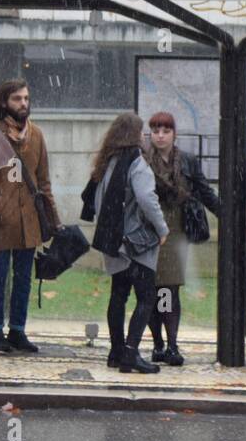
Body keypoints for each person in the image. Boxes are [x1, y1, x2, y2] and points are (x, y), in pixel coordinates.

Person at [0, 79, 60, 354]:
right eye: (17, 98)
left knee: (23, 278)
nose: (23, 103)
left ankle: (18, 329)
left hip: (29, 219)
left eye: (26, 98)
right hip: (0, 221)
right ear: (4, 102)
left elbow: (43, 182)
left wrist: (53, 218)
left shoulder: (37, 135)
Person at [83, 112, 169, 374]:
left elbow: (95, 201)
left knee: (118, 295)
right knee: (146, 297)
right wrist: (162, 228)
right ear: (133, 135)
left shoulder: (106, 163)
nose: (144, 137)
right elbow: (146, 198)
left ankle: (116, 351)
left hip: (112, 241)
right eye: (142, 132)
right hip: (135, 243)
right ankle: (131, 353)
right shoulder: (136, 162)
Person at [144, 111, 220, 366]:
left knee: (169, 287)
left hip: (175, 230)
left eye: (165, 131)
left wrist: (226, 213)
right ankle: (157, 343)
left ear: (174, 134)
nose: (161, 136)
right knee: (151, 289)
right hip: (149, 230)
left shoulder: (186, 161)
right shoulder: (142, 160)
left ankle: (172, 343)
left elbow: (204, 190)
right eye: (156, 130)